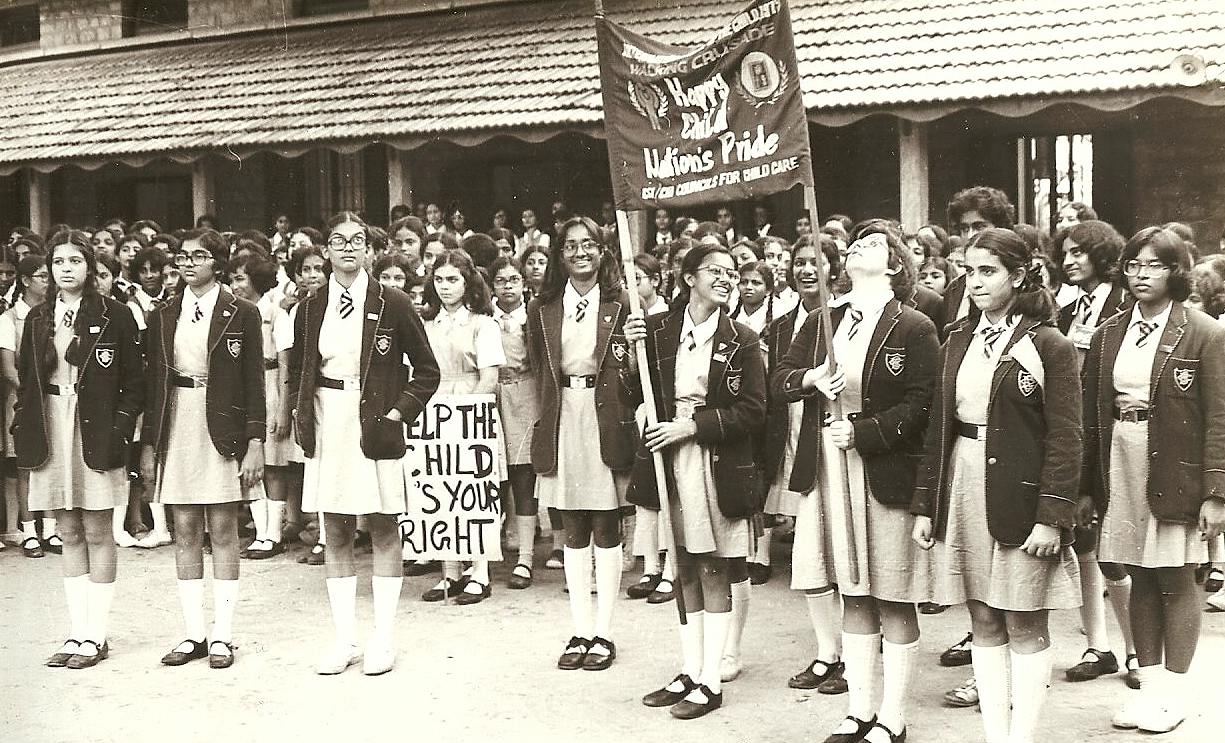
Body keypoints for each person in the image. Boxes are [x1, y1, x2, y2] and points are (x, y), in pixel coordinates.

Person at [913, 227, 1083, 743]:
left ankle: (1022, 736)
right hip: (964, 478)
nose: (975, 281)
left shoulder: (1047, 343)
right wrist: (928, 505)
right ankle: (995, 734)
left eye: (987, 271)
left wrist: (1052, 515)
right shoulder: (957, 337)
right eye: (969, 271)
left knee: (1025, 621)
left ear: (1018, 274)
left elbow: (1067, 436)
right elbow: (939, 426)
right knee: (983, 618)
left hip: (1022, 490)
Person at [776, 220, 939, 743]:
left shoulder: (913, 325)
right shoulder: (827, 317)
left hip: (881, 469)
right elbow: (781, 377)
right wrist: (810, 379)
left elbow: (921, 404)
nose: (857, 248)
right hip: (829, 469)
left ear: (895, 264)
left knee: (892, 592)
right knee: (852, 591)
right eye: (856, 243)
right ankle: (858, 710)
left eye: (874, 243)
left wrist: (865, 432)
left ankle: (893, 717)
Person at [1082, 226, 1225, 734]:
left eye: (1155, 265)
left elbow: (1219, 417)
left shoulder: (1204, 331)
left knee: (1176, 576)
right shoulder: (1109, 333)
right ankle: (1149, 687)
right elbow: (1090, 413)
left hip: (1176, 464)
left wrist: (1216, 492)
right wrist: (1085, 487)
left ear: (1176, 272)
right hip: (1121, 455)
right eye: (1134, 265)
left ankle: (1177, 694)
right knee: (1138, 574)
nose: (1142, 275)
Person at [289, 212, 440, 676]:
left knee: (382, 527)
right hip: (328, 419)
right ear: (326, 250)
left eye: (357, 240)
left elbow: (427, 371)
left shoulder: (392, 301)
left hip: (375, 423)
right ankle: (344, 639)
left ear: (370, 249)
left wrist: (397, 413)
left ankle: (383, 640)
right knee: (334, 528)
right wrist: (302, 421)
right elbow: (300, 372)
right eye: (338, 241)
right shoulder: (310, 306)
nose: (348, 249)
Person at [623, 242, 766, 719]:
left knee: (713, 566)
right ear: (688, 278)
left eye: (732, 272)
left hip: (714, 460)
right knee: (681, 563)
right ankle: (690, 667)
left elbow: (753, 412)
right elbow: (632, 390)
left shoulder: (742, 339)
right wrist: (631, 349)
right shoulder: (658, 329)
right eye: (716, 271)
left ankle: (710, 680)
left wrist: (692, 425)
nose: (727, 279)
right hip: (669, 461)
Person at [16, 230, 143, 669]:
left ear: (90, 267)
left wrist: (121, 431)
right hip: (52, 423)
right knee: (67, 531)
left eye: (74, 261)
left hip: (95, 428)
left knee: (97, 531)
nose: (65, 269)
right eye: (57, 262)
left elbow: (133, 383)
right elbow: (27, 378)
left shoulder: (115, 315)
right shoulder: (37, 318)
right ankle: (77, 633)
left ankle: (97, 635)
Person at [140, 229, 265, 670]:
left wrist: (255, 441)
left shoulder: (242, 312)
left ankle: (223, 636)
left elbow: (254, 381)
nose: (187, 263)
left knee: (224, 528)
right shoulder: (162, 314)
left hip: (222, 423)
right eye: (182, 256)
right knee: (186, 526)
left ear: (217, 261)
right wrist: (149, 444)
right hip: (177, 419)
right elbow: (152, 381)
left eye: (198, 256)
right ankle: (194, 633)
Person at [526, 215, 635, 672]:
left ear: (602, 250)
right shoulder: (544, 306)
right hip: (563, 417)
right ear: (560, 254)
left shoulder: (621, 303)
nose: (580, 253)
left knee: (606, 525)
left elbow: (634, 372)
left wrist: (628, 358)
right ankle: (579, 629)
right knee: (571, 526)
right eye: (570, 246)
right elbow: (537, 369)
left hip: (604, 414)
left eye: (588, 244)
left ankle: (604, 632)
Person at [1050, 219, 1139, 686]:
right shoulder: (1064, 305)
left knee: (1116, 549)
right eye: (1064, 253)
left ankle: (1136, 650)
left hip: (1111, 434)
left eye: (1079, 252)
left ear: (1103, 254)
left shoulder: (1123, 303)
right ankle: (1098, 645)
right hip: (1074, 430)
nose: (1069, 261)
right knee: (1083, 542)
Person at [415, 249, 505, 605]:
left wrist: (463, 412)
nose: (445, 287)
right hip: (434, 407)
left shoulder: (484, 323)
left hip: (471, 408)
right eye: (439, 279)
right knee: (442, 490)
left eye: (453, 279)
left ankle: (480, 572)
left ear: (468, 283)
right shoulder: (427, 325)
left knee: (474, 491)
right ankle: (449, 571)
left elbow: (490, 377)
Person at [231, 256, 294, 559]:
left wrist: (283, 407)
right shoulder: (232, 313)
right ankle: (260, 532)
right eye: (233, 279)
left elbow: (284, 365)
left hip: (269, 386)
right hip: (242, 390)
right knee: (249, 464)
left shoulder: (276, 314)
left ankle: (274, 534)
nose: (236, 285)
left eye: (241, 278)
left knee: (274, 466)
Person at [489, 256, 541, 589]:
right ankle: (486, 551)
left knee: (524, 474)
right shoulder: (484, 318)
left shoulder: (532, 316)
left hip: (526, 395)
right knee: (494, 475)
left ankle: (526, 557)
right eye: (501, 280)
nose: (508, 286)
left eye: (513, 279)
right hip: (493, 396)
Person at [0, 256, 51, 559]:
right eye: (41, 276)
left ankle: (53, 527)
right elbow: (8, 368)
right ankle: (29, 532)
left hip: (53, 399)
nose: (48, 280)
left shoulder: (54, 313)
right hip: (22, 400)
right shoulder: (9, 319)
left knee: (51, 462)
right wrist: (31, 395)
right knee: (25, 465)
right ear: (25, 281)